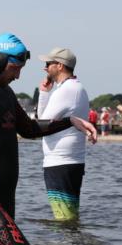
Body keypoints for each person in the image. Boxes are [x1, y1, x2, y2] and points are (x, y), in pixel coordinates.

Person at [0, 33, 97, 245]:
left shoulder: (6, 94)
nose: (18, 77)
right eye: (15, 68)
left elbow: (29, 129)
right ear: (1, 61)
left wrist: (70, 122)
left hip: (5, 199)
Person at [37, 48, 90, 222]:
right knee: (69, 216)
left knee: (63, 218)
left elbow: (41, 124)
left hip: (60, 162)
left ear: (59, 66)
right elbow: (44, 121)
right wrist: (45, 93)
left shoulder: (66, 90)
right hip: (69, 161)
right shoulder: (75, 87)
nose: (45, 68)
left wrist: (44, 94)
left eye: (48, 64)